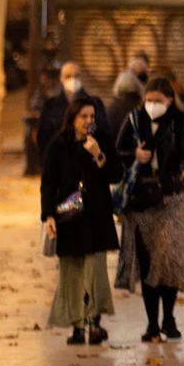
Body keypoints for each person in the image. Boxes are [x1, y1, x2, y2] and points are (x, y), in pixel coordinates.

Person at [115, 78, 184, 342]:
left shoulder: (179, 121)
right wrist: (134, 156)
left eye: (158, 101)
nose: (152, 105)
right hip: (142, 199)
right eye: (148, 100)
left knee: (168, 257)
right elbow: (119, 151)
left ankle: (169, 318)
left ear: (170, 101)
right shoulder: (134, 119)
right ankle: (152, 324)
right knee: (149, 260)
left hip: (173, 197)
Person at [41, 100, 122, 344]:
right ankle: (76, 326)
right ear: (73, 118)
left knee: (95, 270)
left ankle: (94, 321)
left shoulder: (102, 141)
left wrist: (98, 154)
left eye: (91, 116)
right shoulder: (58, 145)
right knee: (72, 272)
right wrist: (48, 216)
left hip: (96, 216)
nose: (88, 121)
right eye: (83, 116)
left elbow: (117, 174)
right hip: (70, 217)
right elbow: (48, 183)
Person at [33, 62, 110, 178]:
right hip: (60, 168)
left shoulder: (95, 103)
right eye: (68, 76)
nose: (73, 80)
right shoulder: (50, 105)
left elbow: (103, 130)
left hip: (88, 167)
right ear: (61, 79)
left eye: (76, 75)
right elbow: (43, 137)